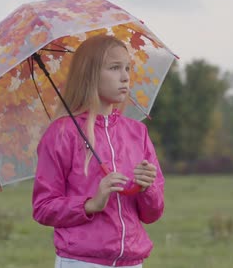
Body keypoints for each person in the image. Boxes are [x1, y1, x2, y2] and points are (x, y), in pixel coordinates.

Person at [32, 34, 165, 267]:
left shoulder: (138, 133)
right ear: (90, 73)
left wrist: (147, 189)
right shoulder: (63, 133)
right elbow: (43, 208)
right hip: (82, 262)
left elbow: (152, 214)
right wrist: (90, 204)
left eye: (127, 68)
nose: (125, 77)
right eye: (114, 68)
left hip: (132, 263)